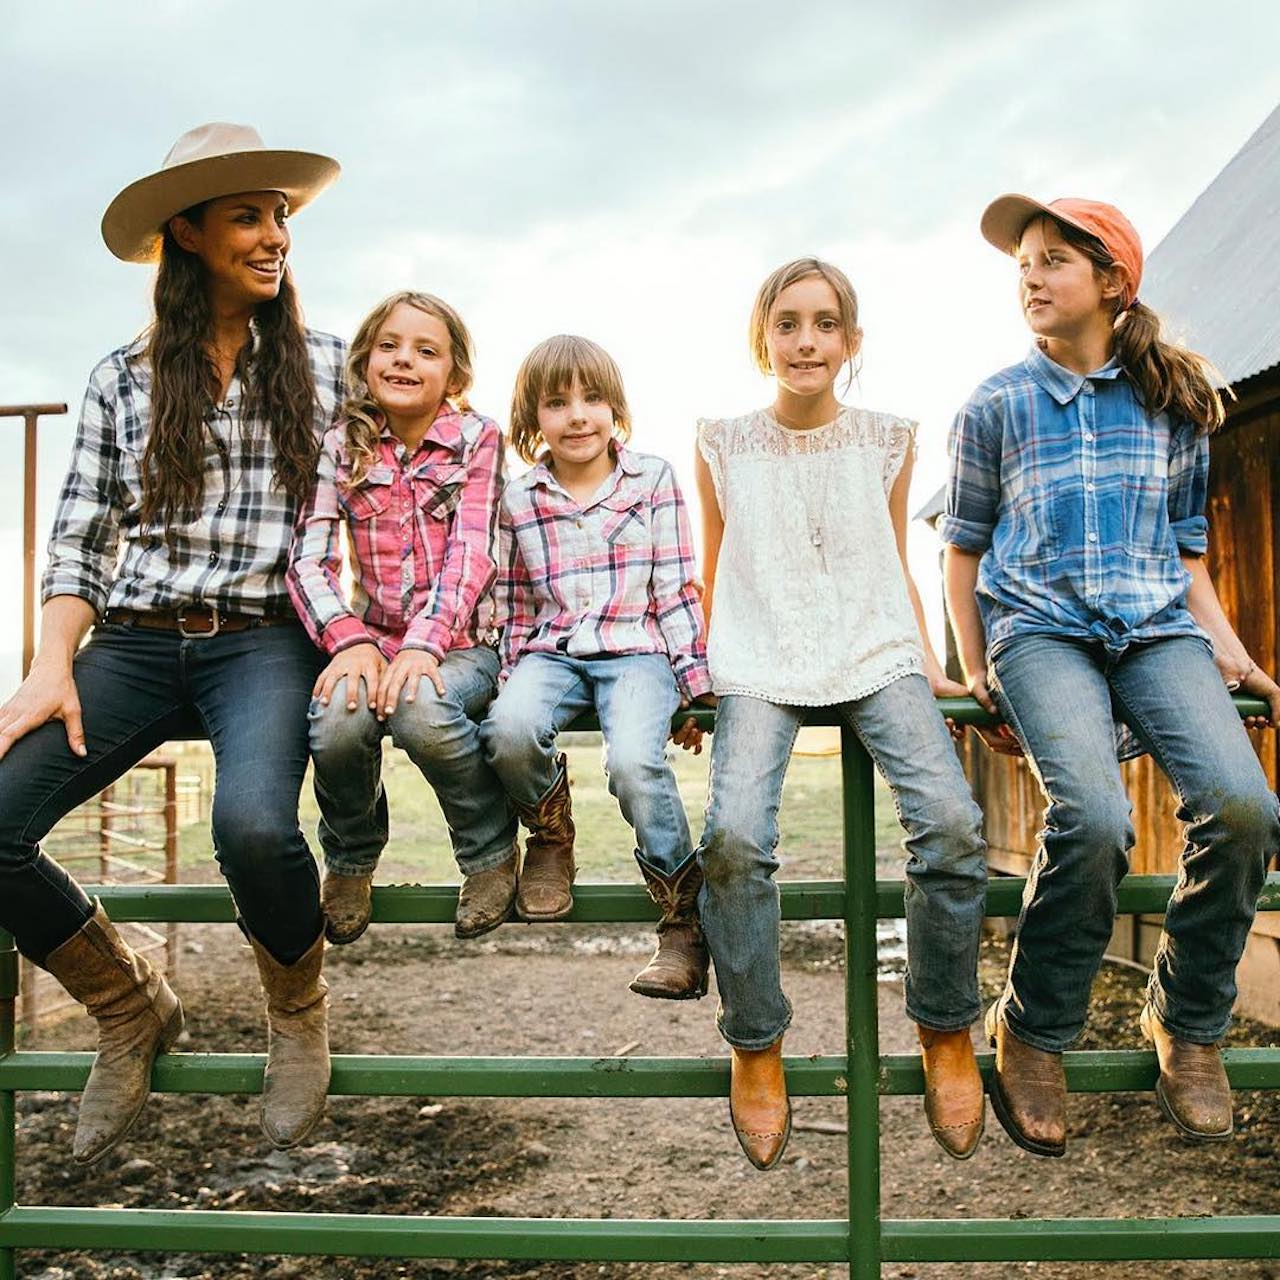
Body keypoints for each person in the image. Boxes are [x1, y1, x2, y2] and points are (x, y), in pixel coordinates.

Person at [0, 123, 345, 1162]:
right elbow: (80, 539)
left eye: (279, 213)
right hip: (139, 640)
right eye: (248, 214)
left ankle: (296, 1010)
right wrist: (50, 663)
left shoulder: (330, 369)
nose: (274, 234)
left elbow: (408, 495)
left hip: (264, 641)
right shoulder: (122, 378)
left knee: (251, 827)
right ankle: (127, 1001)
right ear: (186, 233)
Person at [941, 194, 1280, 1157]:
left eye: (1053, 262)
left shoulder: (1175, 402)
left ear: (1113, 284)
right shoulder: (997, 403)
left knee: (1247, 809)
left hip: (1155, 631)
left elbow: (1186, 555)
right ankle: (1036, 1028)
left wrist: (1236, 654)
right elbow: (961, 552)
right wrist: (974, 663)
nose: (1032, 279)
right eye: (1023, 266)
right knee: (1093, 820)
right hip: (1040, 634)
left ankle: (1187, 1017)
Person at [695, 258, 989, 1170]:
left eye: (826, 324)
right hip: (757, 660)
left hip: (875, 651)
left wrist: (934, 664)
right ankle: (755, 1041)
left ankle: (943, 1028)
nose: (807, 340)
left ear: (852, 342)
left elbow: (892, 557)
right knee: (736, 835)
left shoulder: (889, 440)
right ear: (763, 338)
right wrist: (700, 677)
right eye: (788, 323)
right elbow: (715, 572)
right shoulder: (722, 444)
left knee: (950, 822)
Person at [481, 334, 713, 999]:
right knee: (507, 730)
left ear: (616, 408)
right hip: (551, 651)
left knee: (635, 764)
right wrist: (508, 683)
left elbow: (674, 588)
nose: (577, 415)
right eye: (557, 403)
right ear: (533, 419)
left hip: (636, 650)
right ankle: (550, 837)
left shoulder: (654, 481)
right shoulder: (519, 499)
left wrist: (693, 686)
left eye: (592, 399)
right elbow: (516, 604)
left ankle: (680, 920)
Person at [287, 291, 517, 944]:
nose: (404, 359)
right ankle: (352, 856)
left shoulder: (479, 439)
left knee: (421, 709)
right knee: (336, 719)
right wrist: (349, 641)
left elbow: (473, 553)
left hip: (466, 641)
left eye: (426, 350)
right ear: (365, 361)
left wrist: (423, 645)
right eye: (389, 345)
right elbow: (308, 561)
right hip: (372, 638)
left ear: (455, 373)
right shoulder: (341, 446)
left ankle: (488, 848)